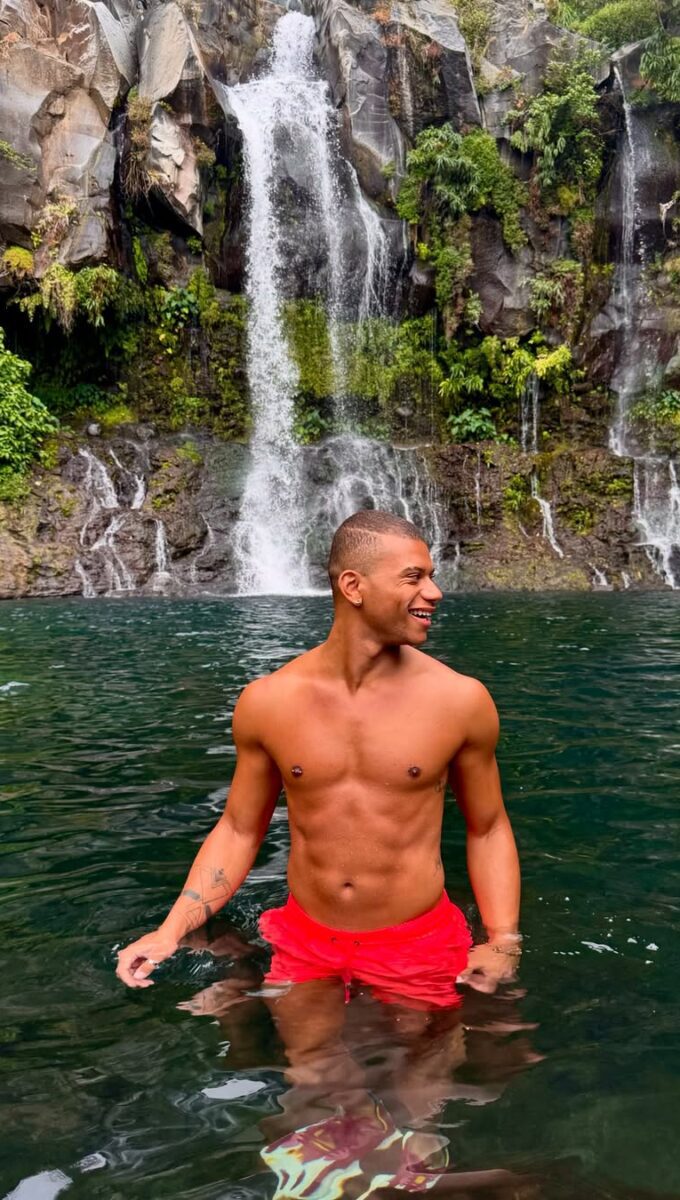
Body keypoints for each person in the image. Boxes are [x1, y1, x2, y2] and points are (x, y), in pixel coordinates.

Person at [116, 509, 521, 1006]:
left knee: (425, 1060)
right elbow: (239, 829)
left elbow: (488, 827)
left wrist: (503, 940)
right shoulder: (269, 702)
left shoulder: (459, 700)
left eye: (431, 576)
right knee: (310, 1060)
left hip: (418, 938)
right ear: (353, 586)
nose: (434, 592)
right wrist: (169, 931)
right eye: (414, 577)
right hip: (306, 939)